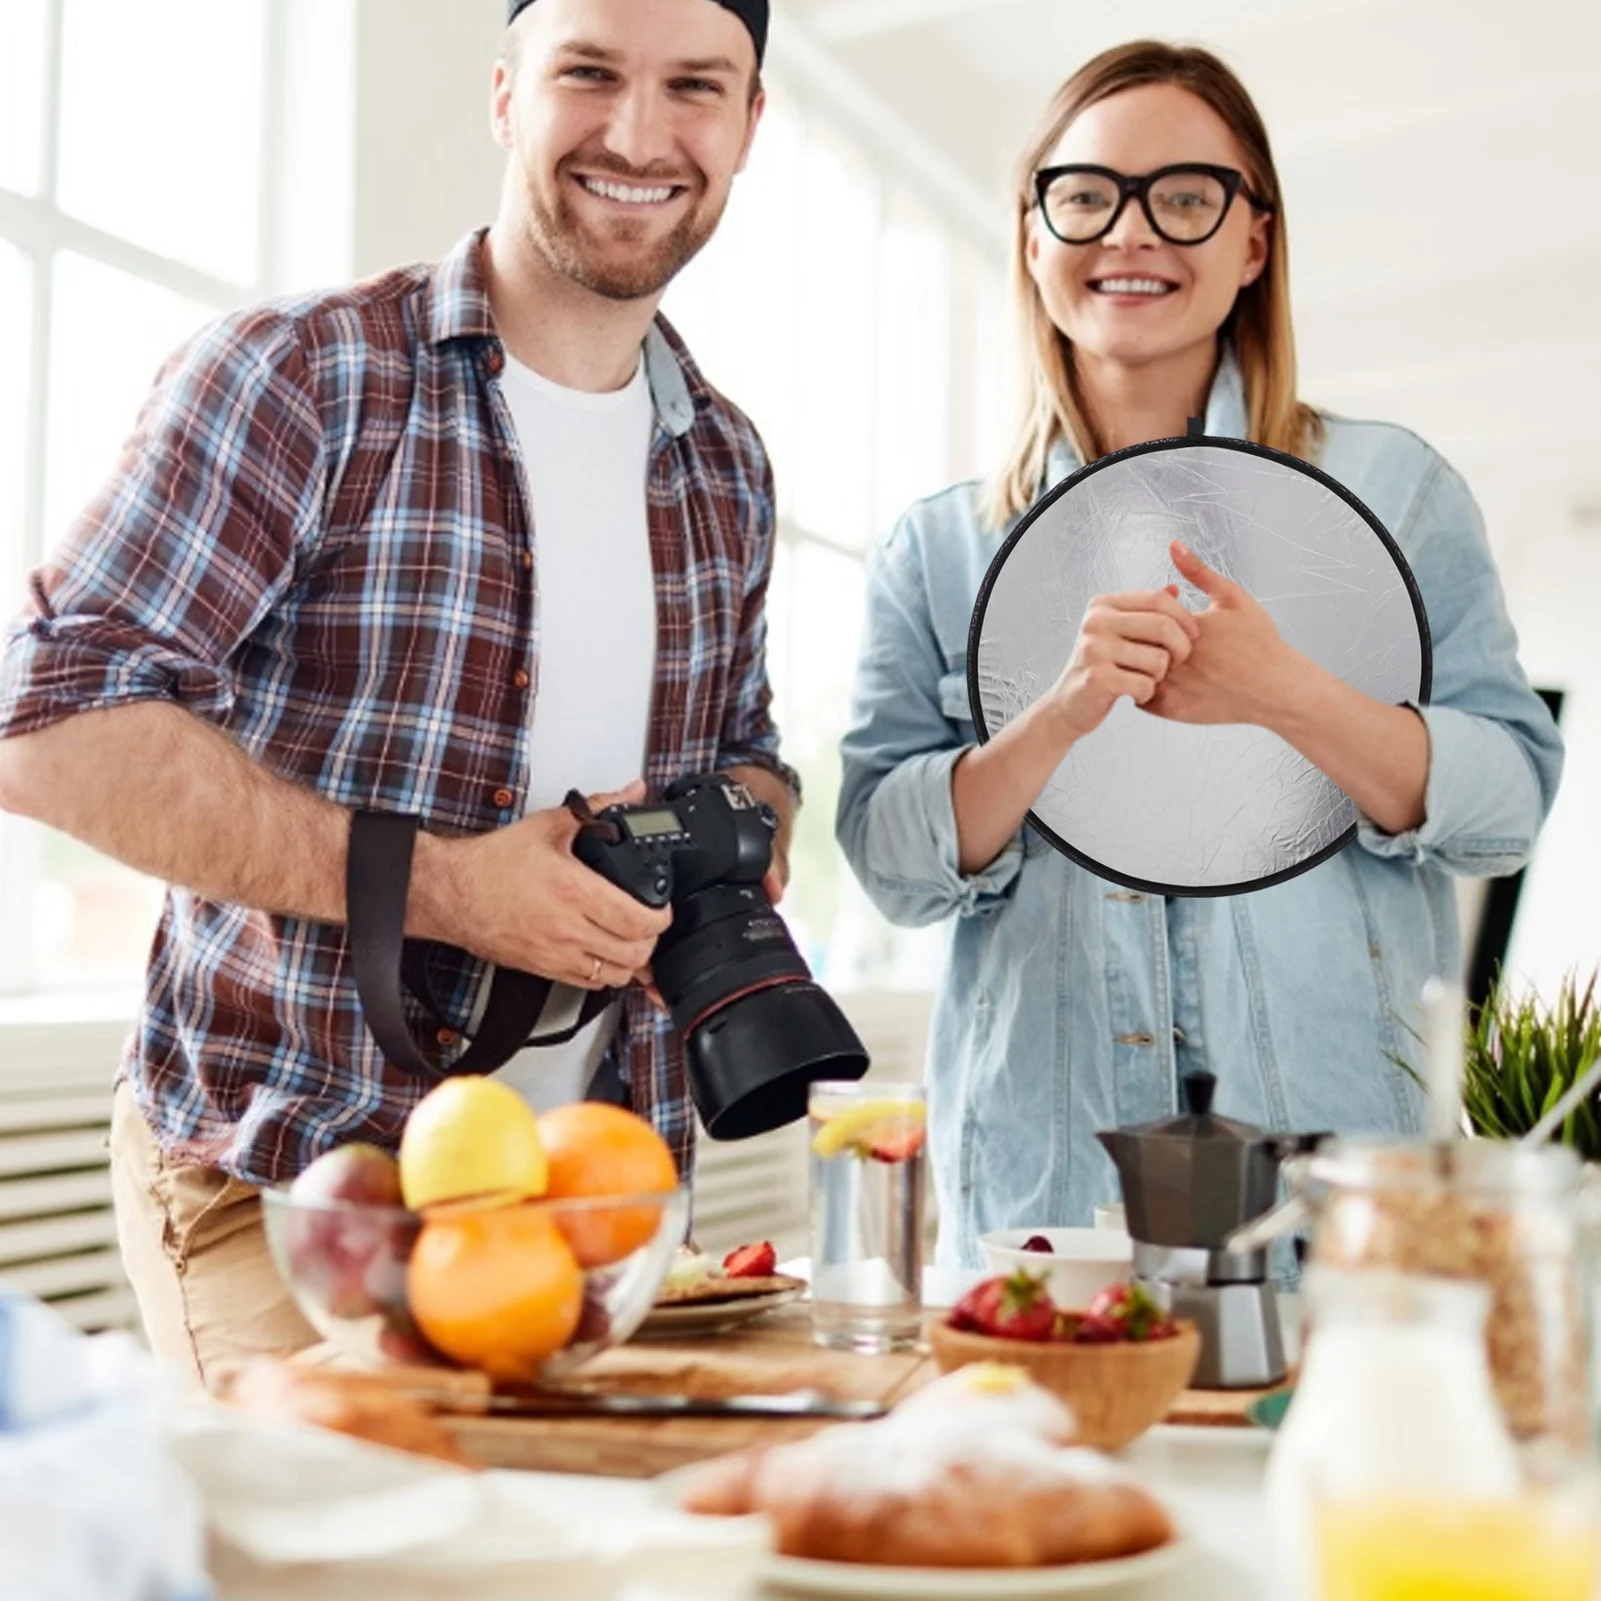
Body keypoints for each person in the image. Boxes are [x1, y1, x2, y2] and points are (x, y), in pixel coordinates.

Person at [0, 0, 797, 1379]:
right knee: (358, 1513)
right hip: (298, 1176)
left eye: (693, 87)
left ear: (746, 123)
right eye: (587, 73)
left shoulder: (726, 462)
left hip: (596, 1199)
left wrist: (728, 827)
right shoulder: (304, 377)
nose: (637, 134)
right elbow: (44, 722)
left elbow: (754, 751)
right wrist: (446, 888)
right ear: (504, 94)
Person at [836, 41, 1563, 1267]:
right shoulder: (936, 547)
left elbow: (1503, 810)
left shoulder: (1396, 492)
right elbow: (890, 860)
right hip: (1045, 1203)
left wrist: (1284, 691)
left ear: (1253, 242)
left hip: (1336, 1200)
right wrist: (1054, 717)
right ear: (1030, 238)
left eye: (1183, 197)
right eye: (1083, 195)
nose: (1129, 232)